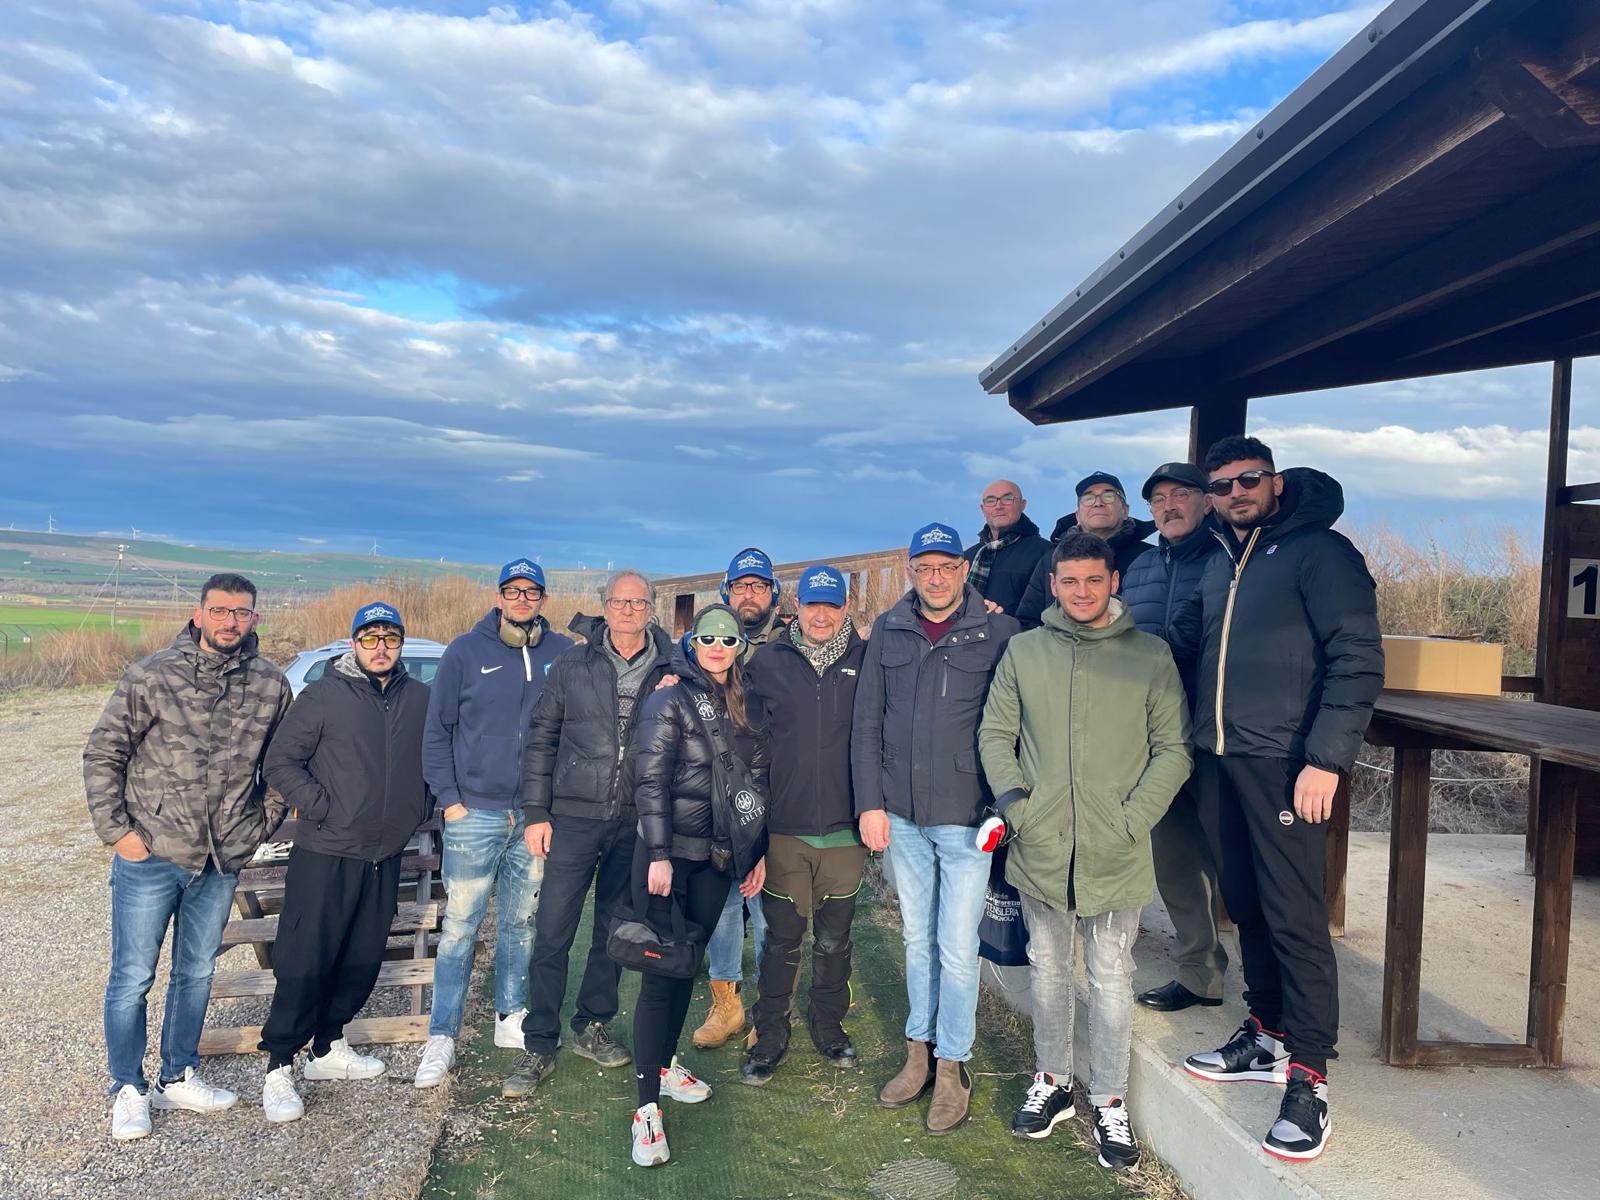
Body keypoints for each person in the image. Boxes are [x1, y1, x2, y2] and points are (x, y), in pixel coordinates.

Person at [1170, 436, 1383, 1163]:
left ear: (1276, 482)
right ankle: (1266, 1032)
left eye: (1248, 480)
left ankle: (1310, 1075)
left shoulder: (1321, 553)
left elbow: (1358, 658)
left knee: (1295, 916)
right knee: (1247, 903)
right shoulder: (1219, 560)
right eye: (1222, 485)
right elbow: (1189, 648)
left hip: (1286, 762)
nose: (1235, 493)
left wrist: (1326, 759)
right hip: (1218, 759)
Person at [978, 531, 1191, 1171]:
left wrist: (1132, 820)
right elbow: (996, 734)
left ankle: (1109, 1099)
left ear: (1114, 582)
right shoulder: (1024, 652)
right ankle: (1052, 1080)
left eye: (1093, 579)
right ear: (1053, 584)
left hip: (1115, 849)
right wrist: (1018, 808)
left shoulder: (1149, 656)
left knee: (1110, 975)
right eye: (1069, 580)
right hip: (1040, 847)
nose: (1081, 591)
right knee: (1047, 968)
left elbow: (1173, 750)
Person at [85, 573, 292, 1142]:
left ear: (254, 619)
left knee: (196, 972)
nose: (230, 621)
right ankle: (128, 1087)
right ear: (199, 614)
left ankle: (176, 1075)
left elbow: (283, 764)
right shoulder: (152, 675)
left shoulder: (270, 685)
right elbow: (103, 752)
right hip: (153, 853)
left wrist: (258, 826)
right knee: (132, 976)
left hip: (221, 860)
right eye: (220, 610)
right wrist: (118, 833)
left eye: (241, 612)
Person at [852, 522, 1020, 1134]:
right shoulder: (890, 628)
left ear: (964, 569)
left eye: (947, 566)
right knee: (917, 939)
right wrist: (870, 803)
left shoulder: (1000, 631)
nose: (936, 577)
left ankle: (953, 1066)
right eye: (925, 568)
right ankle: (917, 1052)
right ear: (911, 572)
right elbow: (867, 720)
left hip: (966, 817)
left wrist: (1006, 802)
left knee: (956, 946)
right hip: (901, 814)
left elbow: (1014, 723)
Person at [257, 602, 432, 1122]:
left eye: (390, 639)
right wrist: (321, 806)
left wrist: (418, 808)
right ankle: (279, 1064)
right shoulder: (322, 696)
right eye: (370, 638)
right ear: (353, 643)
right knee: (306, 958)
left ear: (400, 644)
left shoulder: (419, 698)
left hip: (384, 854)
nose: (381, 648)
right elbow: (280, 762)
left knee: (361, 957)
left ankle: (328, 1047)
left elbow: (434, 760)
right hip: (326, 851)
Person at [503, 569, 675, 1096]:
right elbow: (542, 737)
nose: (628, 610)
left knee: (613, 930)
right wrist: (536, 811)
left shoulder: (671, 666)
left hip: (634, 818)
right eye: (619, 602)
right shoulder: (572, 664)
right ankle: (539, 1041)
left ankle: (592, 1024)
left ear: (651, 608)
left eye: (637, 603)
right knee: (553, 930)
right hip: (573, 816)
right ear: (605, 606)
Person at [414, 559, 573, 1087]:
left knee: (519, 923)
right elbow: (437, 731)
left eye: (532, 591)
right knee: (460, 927)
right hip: (474, 813)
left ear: (543, 599)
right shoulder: (464, 651)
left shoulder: (561, 653)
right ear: (499, 596)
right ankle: (442, 1034)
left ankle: (510, 1016)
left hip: (533, 817)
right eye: (513, 590)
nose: (522, 599)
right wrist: (450, 800)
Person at [625, 604, 769, 1167]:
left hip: (716, 859)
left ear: (740, 646)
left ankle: (664, 1067)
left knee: (686, 966)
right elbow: (649, 780)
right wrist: (659, 854)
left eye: (727, 639)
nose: (717, 647)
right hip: (670, 860)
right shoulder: (669, 697)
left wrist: (754, 852)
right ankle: (645, 1109)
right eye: (707, 637)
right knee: (659, 976)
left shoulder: (745, 701)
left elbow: (755, 782)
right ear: (692, 643)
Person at [741, 564, 868, 1085]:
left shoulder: (867, 660)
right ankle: (770, 1032)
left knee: (835, 940)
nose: (821, 615)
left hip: (846, 829)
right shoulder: (768, 662)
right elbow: (747, 736)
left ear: (845, 609)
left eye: (831, 605)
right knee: (782, 940)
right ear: (797, 606)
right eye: (812, 604)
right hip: (785, 828)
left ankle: (828, 1024)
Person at [1119, 463, 1230, 1013]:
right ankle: (1200, 975)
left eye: (1181, 493)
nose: (1169, 505)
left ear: (1206, 501)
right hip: (1158, 735)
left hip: (1220, 731)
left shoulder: (1229, 558)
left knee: (1238, 856)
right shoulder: (1139, 566)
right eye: (1158, 498)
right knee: (1177, 856)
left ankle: (1279, 988)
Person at [691, 547, 780, 1050]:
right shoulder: (700, 657)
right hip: (713, 807)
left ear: (772, 593)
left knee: (766, 907)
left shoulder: (788, 644)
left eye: (759, 585)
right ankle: (727, 1001)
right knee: (723, 907)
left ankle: (769, 1006)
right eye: (741, 586)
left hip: (766, 801)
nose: (750, 594)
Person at [1014, 472, 1155, 628]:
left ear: (1125, 510)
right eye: (1088, 498)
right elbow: (1028, 620)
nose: (1098, 503)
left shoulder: (1151, 559)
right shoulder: (1051, 560)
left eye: (1108, 496)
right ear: (1078, 515)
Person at [963, 478, 1049, 615]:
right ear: (982, 509)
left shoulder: (1045, 552)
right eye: (991, 500)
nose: (999, 506)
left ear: (1022, 505)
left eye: (1007, 499)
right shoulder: (967, 557)